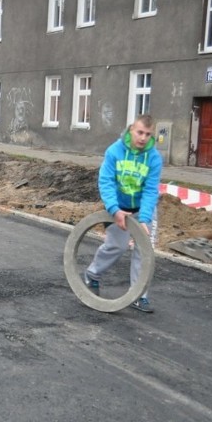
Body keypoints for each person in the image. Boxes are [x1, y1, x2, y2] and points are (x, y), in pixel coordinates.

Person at [85, 113, 162, 313]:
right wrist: (114, 209)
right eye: (140, 132)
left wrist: (145, 218)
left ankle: (139, 295)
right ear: (131, 130)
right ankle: (93, 274)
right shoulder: (114, 151)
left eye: (148, 134)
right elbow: (106, 182)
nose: (143, 137)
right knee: (115, 246)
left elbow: (151, 189)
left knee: (144, 252)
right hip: (119, 207)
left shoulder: (154, 158)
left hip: (143, 209)